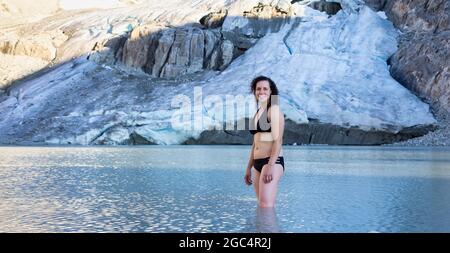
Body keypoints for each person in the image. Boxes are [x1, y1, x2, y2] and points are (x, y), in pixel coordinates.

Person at [245, 75, 285, 208]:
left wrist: (270, 165)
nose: (261, 92)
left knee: (265, 205)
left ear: (271, 91)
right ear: (254, 92)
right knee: (263, 206)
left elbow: (278, 140)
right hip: (257, 163)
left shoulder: (273, 110)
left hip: (271, 161)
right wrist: (248, 167)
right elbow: (255, 143)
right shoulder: (258, 112)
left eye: (265, 89)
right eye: (258, 89)